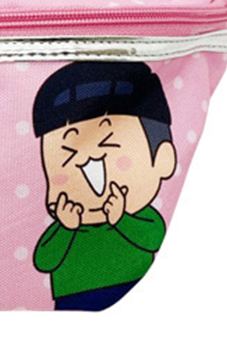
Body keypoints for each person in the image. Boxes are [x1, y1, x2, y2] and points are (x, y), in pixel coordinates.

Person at [32, 62, 177, 311]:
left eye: (108, 147)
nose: (86, 161)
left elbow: (152, 238)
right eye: (66, 159)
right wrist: (66, 228)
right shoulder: (67, 224)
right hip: (70, 290)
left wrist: (121, 218)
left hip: (130, 284)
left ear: (163, 159)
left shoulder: (141, 217)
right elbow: (44, 260)